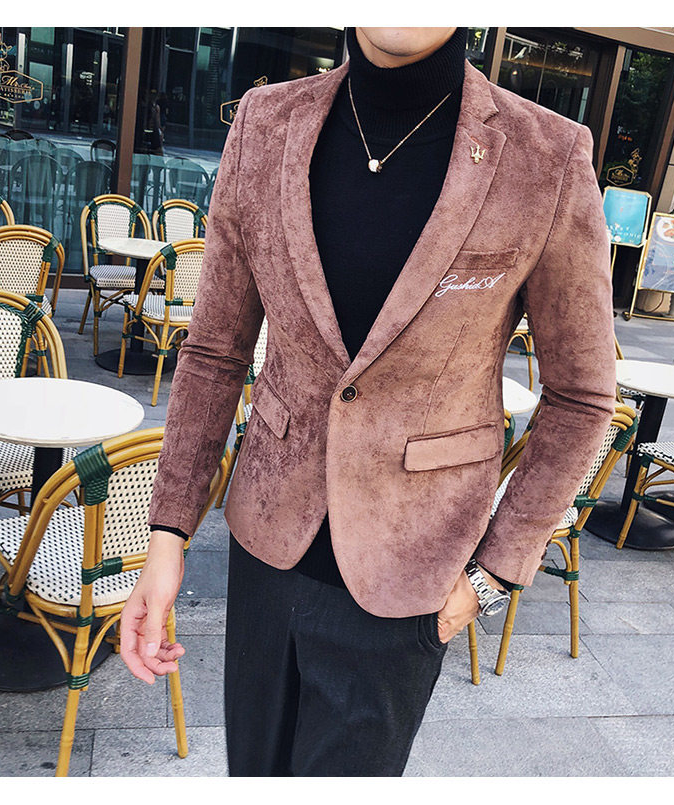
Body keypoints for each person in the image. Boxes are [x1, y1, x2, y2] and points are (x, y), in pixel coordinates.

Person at [120, 27, 616, 776]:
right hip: (267, 550)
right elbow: (215, 349)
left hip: (414, 575)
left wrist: (493, 575)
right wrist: (167, 536)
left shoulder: (546, 154)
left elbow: (581, 395)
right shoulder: (265, 122)